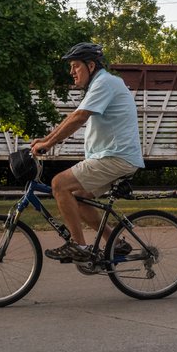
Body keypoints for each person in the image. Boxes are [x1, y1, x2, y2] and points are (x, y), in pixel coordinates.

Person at [30, 43, 144, 261]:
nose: (71, 72)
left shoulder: (105, 82)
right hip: (113, 157)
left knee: (59, 184)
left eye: (75, 66)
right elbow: (75, 115)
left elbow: (79, 117)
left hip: (115, 158)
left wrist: (48, 144)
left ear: (90, 65)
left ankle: (78, 247)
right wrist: (46, 139)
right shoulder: (100, 85)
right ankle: (115, 242)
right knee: (78, 198)